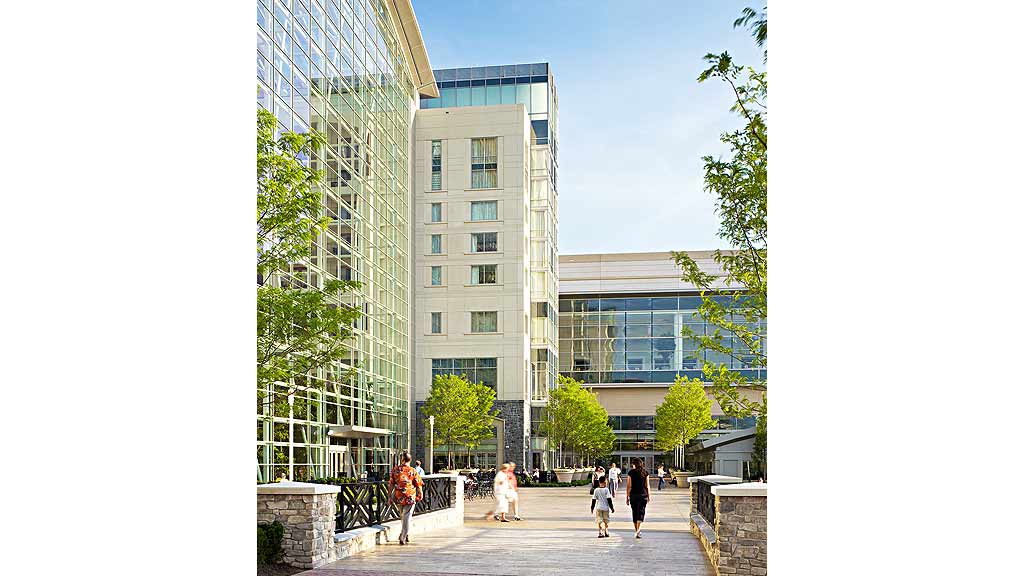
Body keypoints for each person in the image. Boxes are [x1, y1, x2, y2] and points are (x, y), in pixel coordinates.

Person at [388, 451, 424, 545]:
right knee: (407, 517)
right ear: (410, 460)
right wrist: (420, 493)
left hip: (398, 496)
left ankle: (405, 534)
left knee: (403, 516)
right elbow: (418, 483)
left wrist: (389, 496)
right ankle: (403, 536)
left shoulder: (395, 470)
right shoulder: (412, 470)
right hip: (410, 496)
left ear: (402, 459)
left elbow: (391, 484)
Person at [625, 457, 650, 539]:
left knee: (635, 513)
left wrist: (627, 496)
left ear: (634, 464)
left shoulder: (631, 473)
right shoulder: (645, 472)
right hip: (643, 495)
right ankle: (638, 531)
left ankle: (637, 531)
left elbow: (629, 486)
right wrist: (648, 495)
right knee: (641, 512)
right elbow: (647, 486)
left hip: (633, 495)